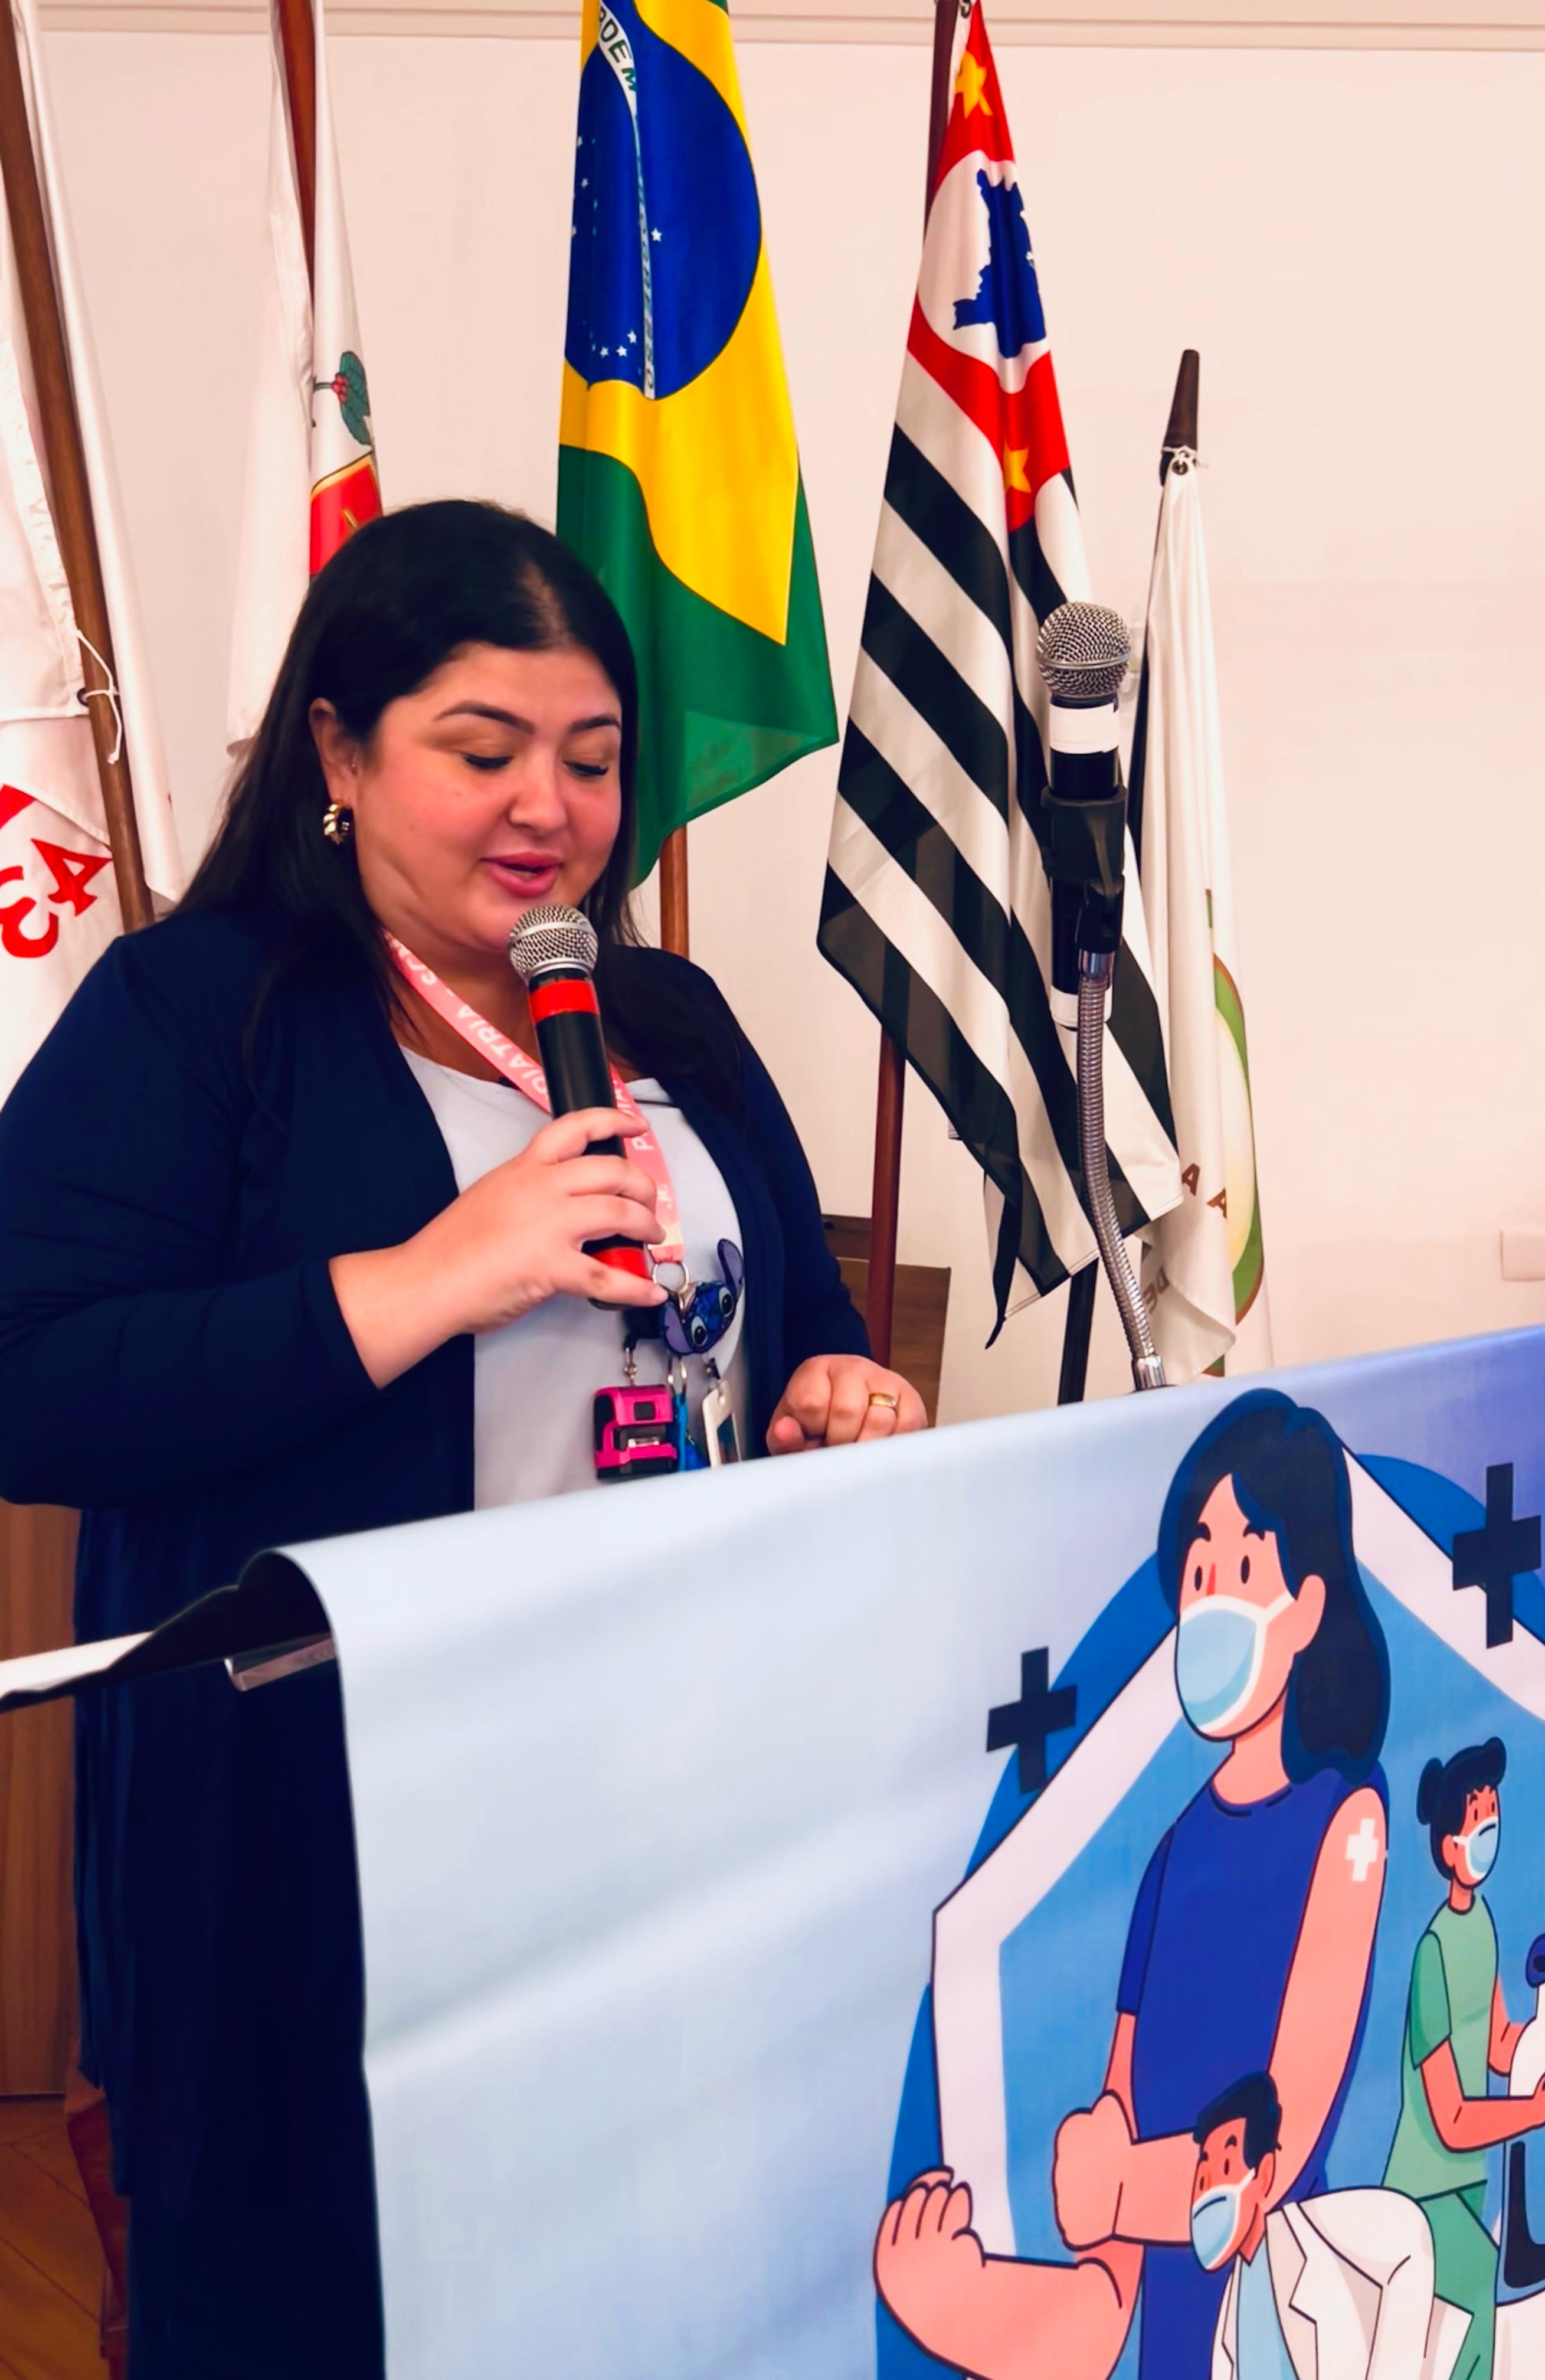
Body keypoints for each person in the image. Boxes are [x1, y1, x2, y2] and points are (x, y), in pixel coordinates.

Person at [0, 499, 925, 2378]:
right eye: (482, 749)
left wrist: (843, 1386)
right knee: (333, 2297)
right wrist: (427, 1279)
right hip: (328, 1820)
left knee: (640, 2268)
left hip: (673, 1786)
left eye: (590, 758)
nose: (547, 809)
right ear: (339, 757)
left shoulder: (663, 1014)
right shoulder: (198, 1011)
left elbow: (791, 1318)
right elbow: (39, 1380)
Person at [875, 1390, 1390, 2380]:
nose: (1210, 1603)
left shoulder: (1345, 1822)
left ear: (1308, 1607)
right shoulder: (1170, 1859)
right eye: (1198, 1573)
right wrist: (955, 2299)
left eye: (1243, 1569)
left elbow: (1275, 2149)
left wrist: (1114, 2187)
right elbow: (1102, 2307)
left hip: (1280, 2328)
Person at [1381, 1740, 1545, 2380]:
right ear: (1449, 1846)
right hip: (1423, 2191)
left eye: (1494, 1816)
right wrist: (1528, 2113)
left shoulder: (1481, 1923)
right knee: (1480, 2289)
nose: (1491, 1830)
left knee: (1450, 2336)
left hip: (1467, 2182)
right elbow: (1451, 2117)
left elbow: (1499, 2042)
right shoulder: (1431, 1954)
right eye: (1479, 1820)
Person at [1187, 2071, 1461, 2380]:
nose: (1208, 2197)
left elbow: (1410, 2234)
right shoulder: (1233, 2309)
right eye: (1202, 2181)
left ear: (1264, 2175)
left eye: (1225, 2168)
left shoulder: (1318, 2229)